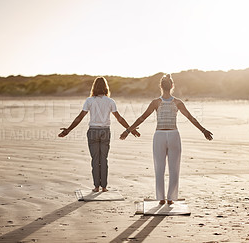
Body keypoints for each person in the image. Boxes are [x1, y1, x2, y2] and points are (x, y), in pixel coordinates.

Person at [120, 74, 213, 204]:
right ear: (172, 86)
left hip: (159, 136)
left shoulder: (155, 102)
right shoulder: (178, 102)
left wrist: (128, 130)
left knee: (159, 168)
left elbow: (142, 118)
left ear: (161, 86)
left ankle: (161, 198)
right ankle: (170, 198)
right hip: (174, 135)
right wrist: (203, 130)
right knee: (174, 168)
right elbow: (191, 118)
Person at [58, 77, 140, 192]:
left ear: (94, 87)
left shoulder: (89, 101)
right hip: (105, 132)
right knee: (104, 159)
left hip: (93, 132)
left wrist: (68, 130)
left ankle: (96, 187)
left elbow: (80, 117)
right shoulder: (110, 101)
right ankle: (104, 187)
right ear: (106, 87)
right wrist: (130, 129)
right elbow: (119, 118)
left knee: (95, 159)